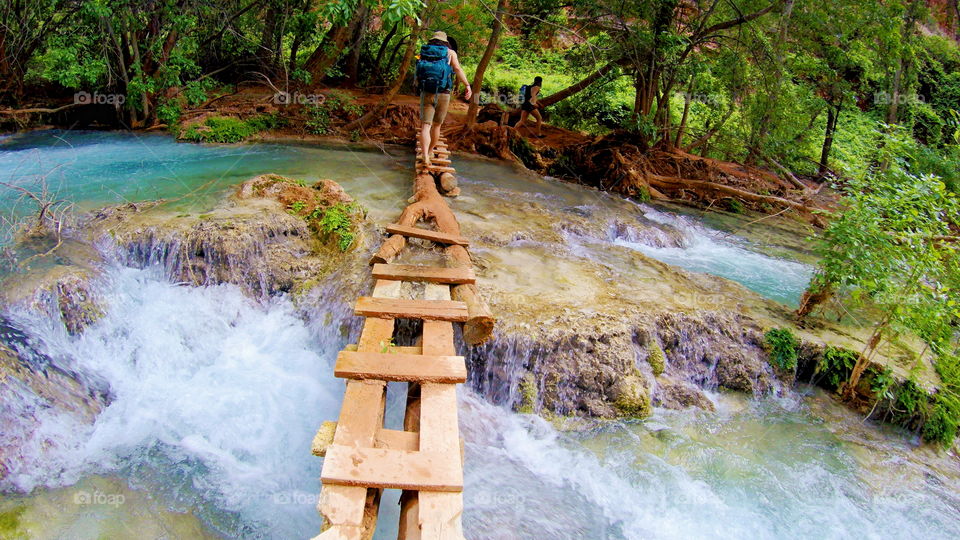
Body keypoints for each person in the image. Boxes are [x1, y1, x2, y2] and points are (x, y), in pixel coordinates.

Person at [416, 31, 471, 169]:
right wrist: (467, 85)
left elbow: (418, 70)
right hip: (443, 93)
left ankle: (425, 156)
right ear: (445, 41)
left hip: (426, 92)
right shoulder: (450, 53)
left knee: (425, 126)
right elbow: (457, 69)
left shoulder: (424, 51)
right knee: (436, 126)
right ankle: (429, 152)